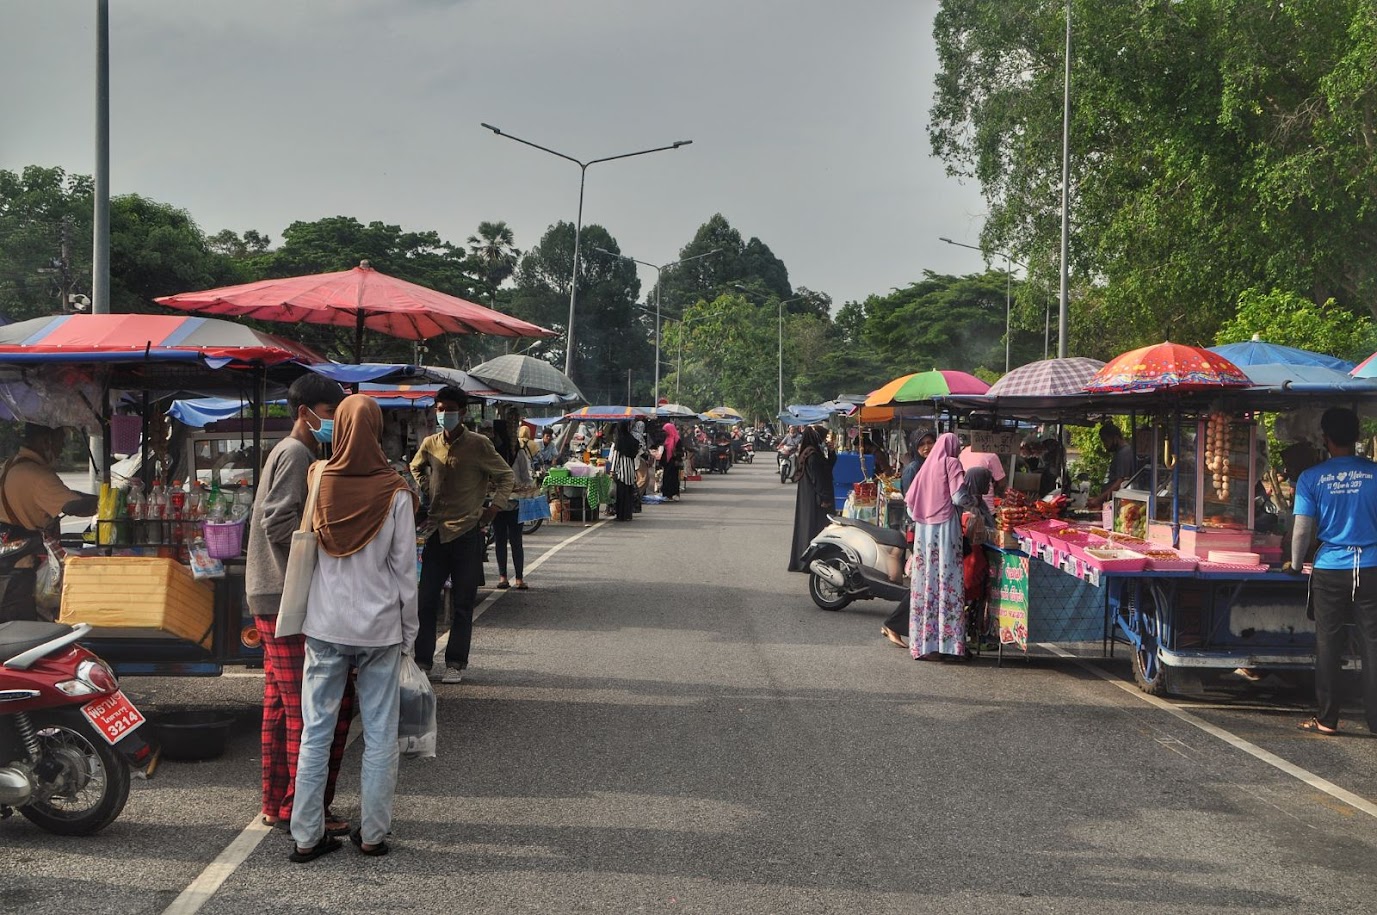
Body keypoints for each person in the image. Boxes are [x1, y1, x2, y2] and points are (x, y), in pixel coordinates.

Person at [289, 395, 418, 862]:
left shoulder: (319, 477)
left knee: (315, 732)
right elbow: (406, 571)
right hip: (380, 628)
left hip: (324, 624)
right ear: (379, 430)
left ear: (340, 428)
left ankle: (305, 835)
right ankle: (373, 835)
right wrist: (410, 634)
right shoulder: (396, 491)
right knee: (382, 733)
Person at [245, 375, 353, 837]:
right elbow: (277, 522)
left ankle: (275, 802)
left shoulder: (288, 452)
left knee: (280, 704)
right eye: (331, 414)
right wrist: (309, 570)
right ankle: (300, 808)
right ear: (306, 411)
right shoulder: (296, 454)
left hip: (268, 593)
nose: (335, 423)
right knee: (310, 709)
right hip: (283, 596)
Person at [410, 387, 514, 684]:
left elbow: (506, 476)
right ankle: (422, 660)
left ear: (463, 411)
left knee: (463, 602)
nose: (444, 414)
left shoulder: (479, 445)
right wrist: (427, 489)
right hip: (435, 532)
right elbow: (416, 466)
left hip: (468, 533)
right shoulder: (430, 443)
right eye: (440, 408)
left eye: (450, 408)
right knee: (426, 600)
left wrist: (493, 508)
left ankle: (455, 662)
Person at [1290, 407, 1377, 737]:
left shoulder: (1312, 478)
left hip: (1330, 569)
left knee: (1328, 643)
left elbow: (1302, 529)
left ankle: (1327, 719)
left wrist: (1296, 565)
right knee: (1373, 645)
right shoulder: (1375, 473)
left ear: (1325, 438)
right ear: (1357, 437)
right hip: (1371, 568)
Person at [0, 425, 98, 622]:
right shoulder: (39, 476)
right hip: (28, 560)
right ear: (47, 441)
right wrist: (105, 501)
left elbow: (66, 495)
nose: (62, 448)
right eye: (61, 440)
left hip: (8, 551)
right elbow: (72, 504)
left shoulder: (11, 464)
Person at [905, 432, 978, 660]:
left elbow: (909, 506)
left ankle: (925, 647)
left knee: (926, 585)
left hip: (924, 533)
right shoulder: (951, 462)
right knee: (947, 584)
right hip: (945, 530)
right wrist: (974, 502)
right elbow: (958, 498)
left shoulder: (925, 468)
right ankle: (949, 646)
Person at [787, 426, 837, 572]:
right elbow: (819, 479)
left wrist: (831, 452)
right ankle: (810, 561)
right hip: (815, 499)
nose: (823, 441)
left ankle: (806, 560)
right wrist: (825, 498)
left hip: (809, 498)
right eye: (822, 438)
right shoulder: (812, 455)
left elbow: (827, 468)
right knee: (814, 529)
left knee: (808, 527)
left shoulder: (809, 452)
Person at [490, 417, 531, 590]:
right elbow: (527, 479)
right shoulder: (493, 453)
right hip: (502, 504)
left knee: (510, 540)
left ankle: (513, 578)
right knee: (507, 540)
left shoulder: (516, 453)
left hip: (507, 503)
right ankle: (507, 577)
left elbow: (526, 478)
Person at [1088, 421, 1135, 509]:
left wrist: (1098, 499)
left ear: (1115, 438)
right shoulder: (1119, 452)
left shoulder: (1124, 453)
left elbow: (1119, 483)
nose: (1105, 445)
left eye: (1106, 441)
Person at [610, 421, 641, 522]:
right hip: (630, 470)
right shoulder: (631, 439)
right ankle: (628, 514)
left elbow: (616, 457)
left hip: (621, 472)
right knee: (628, 494)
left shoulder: (620, 441)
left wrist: (612, 470)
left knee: (621, 495)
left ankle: (621, 515)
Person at [900, 428, 937, 497]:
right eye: (921, 444)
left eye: (930, 443)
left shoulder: (937, 465)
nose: (926, 447)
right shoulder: (912, 469)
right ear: (915, 447)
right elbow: (909, 498)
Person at [661, 422, 683, 501]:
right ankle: (667, 495)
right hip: (667, 461)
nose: (665, 432)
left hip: (674, 461)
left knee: (673, 478)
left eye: (666, 430)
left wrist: (677, 458)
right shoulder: (667, 439)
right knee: (666, 477)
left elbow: (680, 451)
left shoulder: (677, 439)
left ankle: (675, 493)